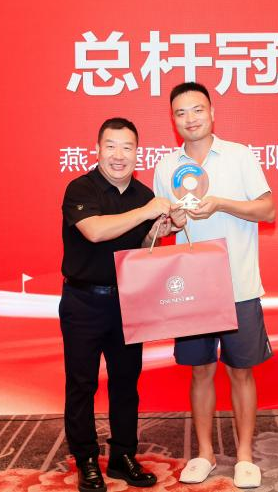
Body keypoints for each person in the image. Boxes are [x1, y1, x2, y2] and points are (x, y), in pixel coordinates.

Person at [153, 82, 276, 489]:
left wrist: (221, 202)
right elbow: (160, 225)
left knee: (241, 371)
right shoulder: (166, 167)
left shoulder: (239, 156)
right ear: (173, 120)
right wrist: (170, 222)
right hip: (192, 288)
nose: (190, 119)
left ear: (211, 113)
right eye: (181, 113)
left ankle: (244, 456)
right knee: (201, 370)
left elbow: (268, 209)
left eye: (197, 110)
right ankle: (204, 453)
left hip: (238, 283)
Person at [61, 117, 183, 492]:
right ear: (98, 149)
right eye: (111, 146)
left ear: (136, 152)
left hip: (129, 301)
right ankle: (85, 459)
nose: (119, 155)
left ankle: (122, 456)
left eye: (127, 147)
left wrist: (163, 228)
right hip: (83, 301)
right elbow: (95, 231)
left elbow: (144, 246)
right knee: (81, 383)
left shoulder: (143, 195)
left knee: (126, 383)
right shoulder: (80, 188)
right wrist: (147, 213)